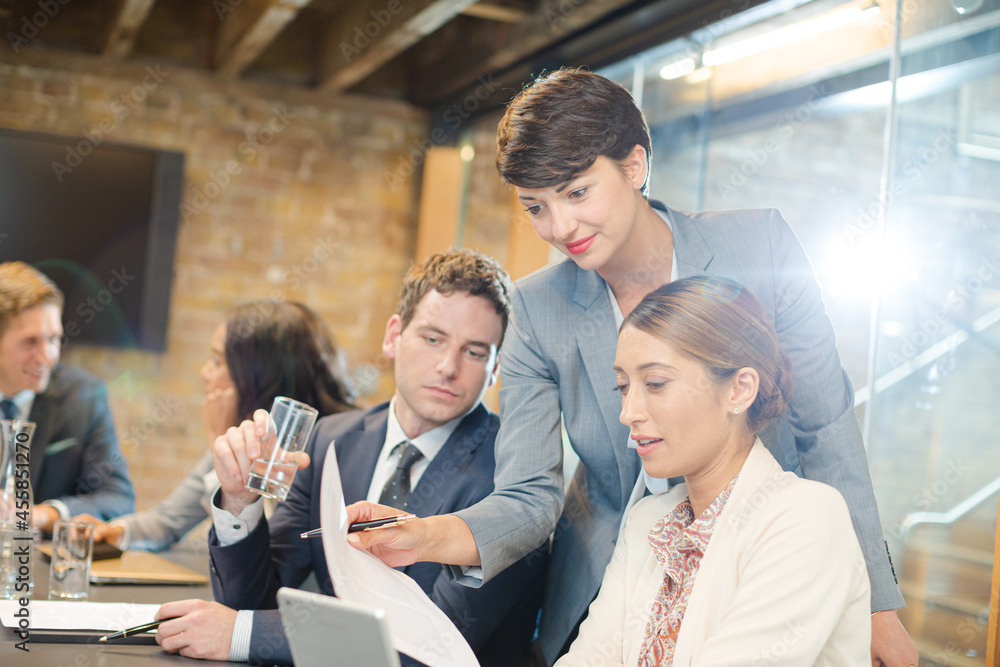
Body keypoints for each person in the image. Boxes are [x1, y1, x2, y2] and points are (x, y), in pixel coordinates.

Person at [345, 69, 918, 666]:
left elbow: (825, 424)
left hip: (760, 552)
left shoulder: (761, 248)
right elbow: (528, 495)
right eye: (536, 207)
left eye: (577, 193)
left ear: (635, 165)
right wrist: (424, 535)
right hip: (613, 571)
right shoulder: (537, 310)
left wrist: (875, 601)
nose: (561, 228)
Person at [152, 249, 545, 666]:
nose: (448, 367)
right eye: (433, 339)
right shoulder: (331, 440)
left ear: (496, 366)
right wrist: (238, 501)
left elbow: (431, 646)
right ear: (394, 335)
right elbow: (251, 601)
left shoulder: (515, 476)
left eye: (475, 352)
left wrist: (244, 634)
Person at [556, 276, 871, 665]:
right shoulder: (647, 520)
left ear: (739, 390)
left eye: (655, 383)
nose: (628, 413)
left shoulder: (806, 517)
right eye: (623, 386)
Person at [74, 299, 356, 551]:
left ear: (255, 374)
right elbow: (170, 519)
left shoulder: (318, 449)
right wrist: (117, 530)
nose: (204, 373)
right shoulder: (245, 433)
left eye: (217, 361)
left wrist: (217, 439)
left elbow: (266, 552)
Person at [0, 261, 134, 531]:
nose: (46, 358)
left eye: (53, 340)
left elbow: (118, 498)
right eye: (30, 342)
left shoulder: (84, 396)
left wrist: (41, 515)